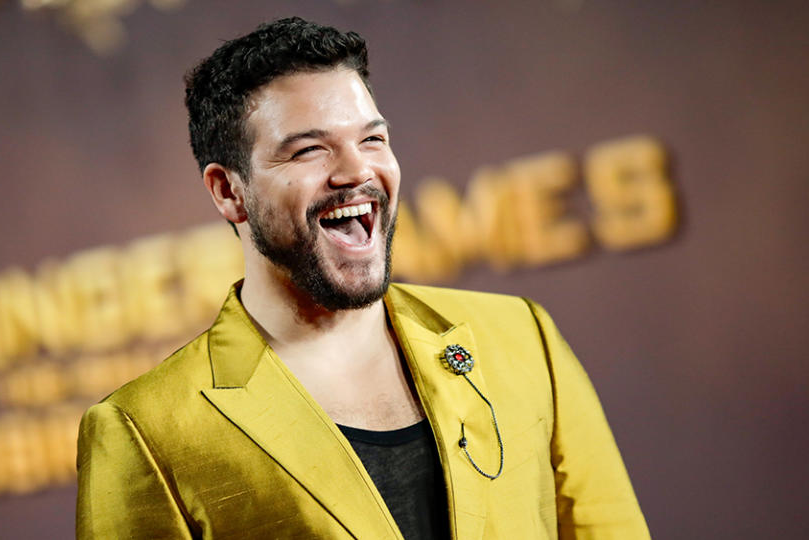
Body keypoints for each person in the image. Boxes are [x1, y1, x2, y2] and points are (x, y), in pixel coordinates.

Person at [76, 17, 650, 539]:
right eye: (308, 151)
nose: (357, 171)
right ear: (229, 191)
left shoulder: (523, 337)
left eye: (372, 139)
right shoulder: (146, 431)